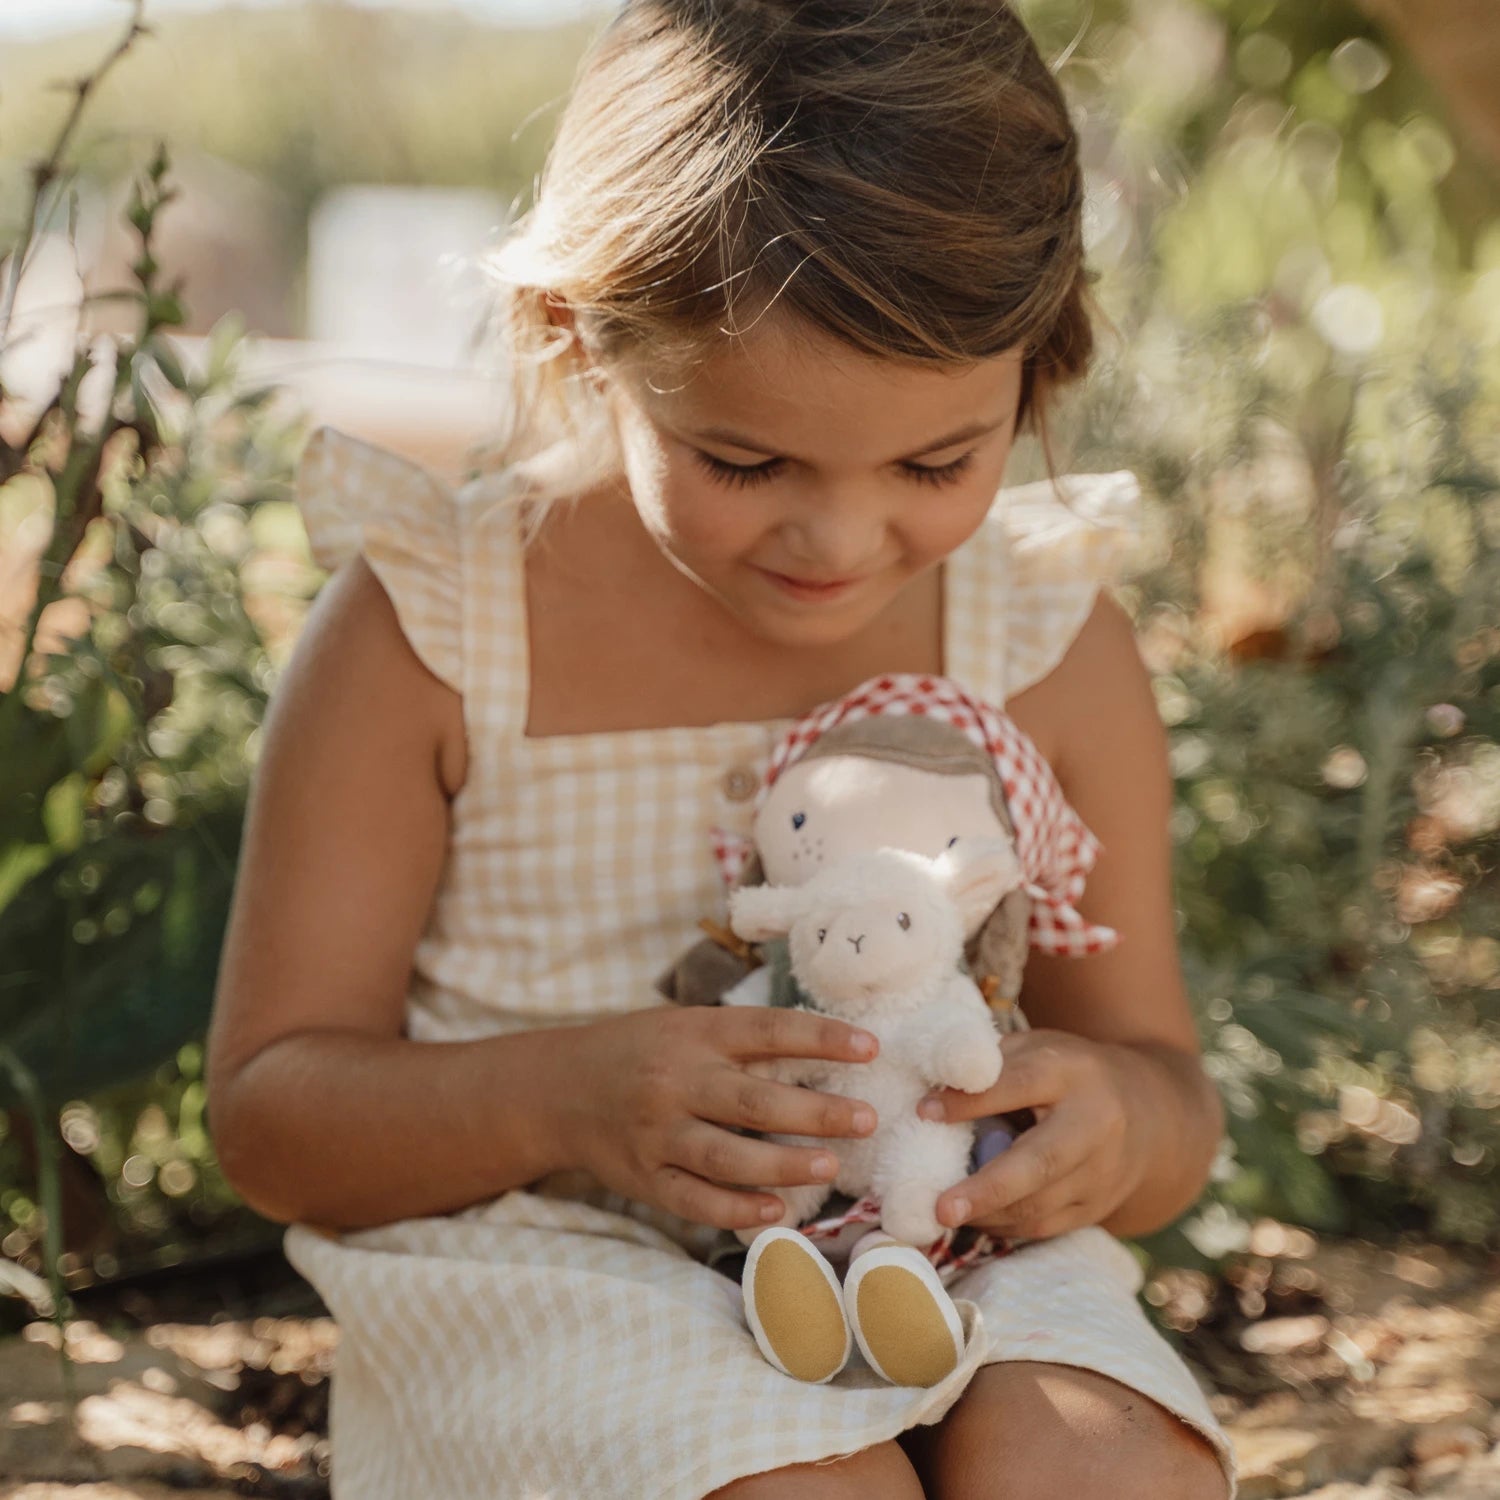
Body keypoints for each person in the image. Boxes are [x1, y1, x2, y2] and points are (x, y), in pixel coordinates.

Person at [206, 3, 1237, 1496]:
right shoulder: (437, 630)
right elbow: (272, 1115)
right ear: (582, 334)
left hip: (933, 1238)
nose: (837, 537)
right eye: (745, 461)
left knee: (1099, 1470)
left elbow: (1168, 1095)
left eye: (936, 461)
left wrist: (1114, 1125)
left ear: (1042, 358)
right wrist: (569, 1097)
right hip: (551, 1274)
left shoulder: (1041, 638)